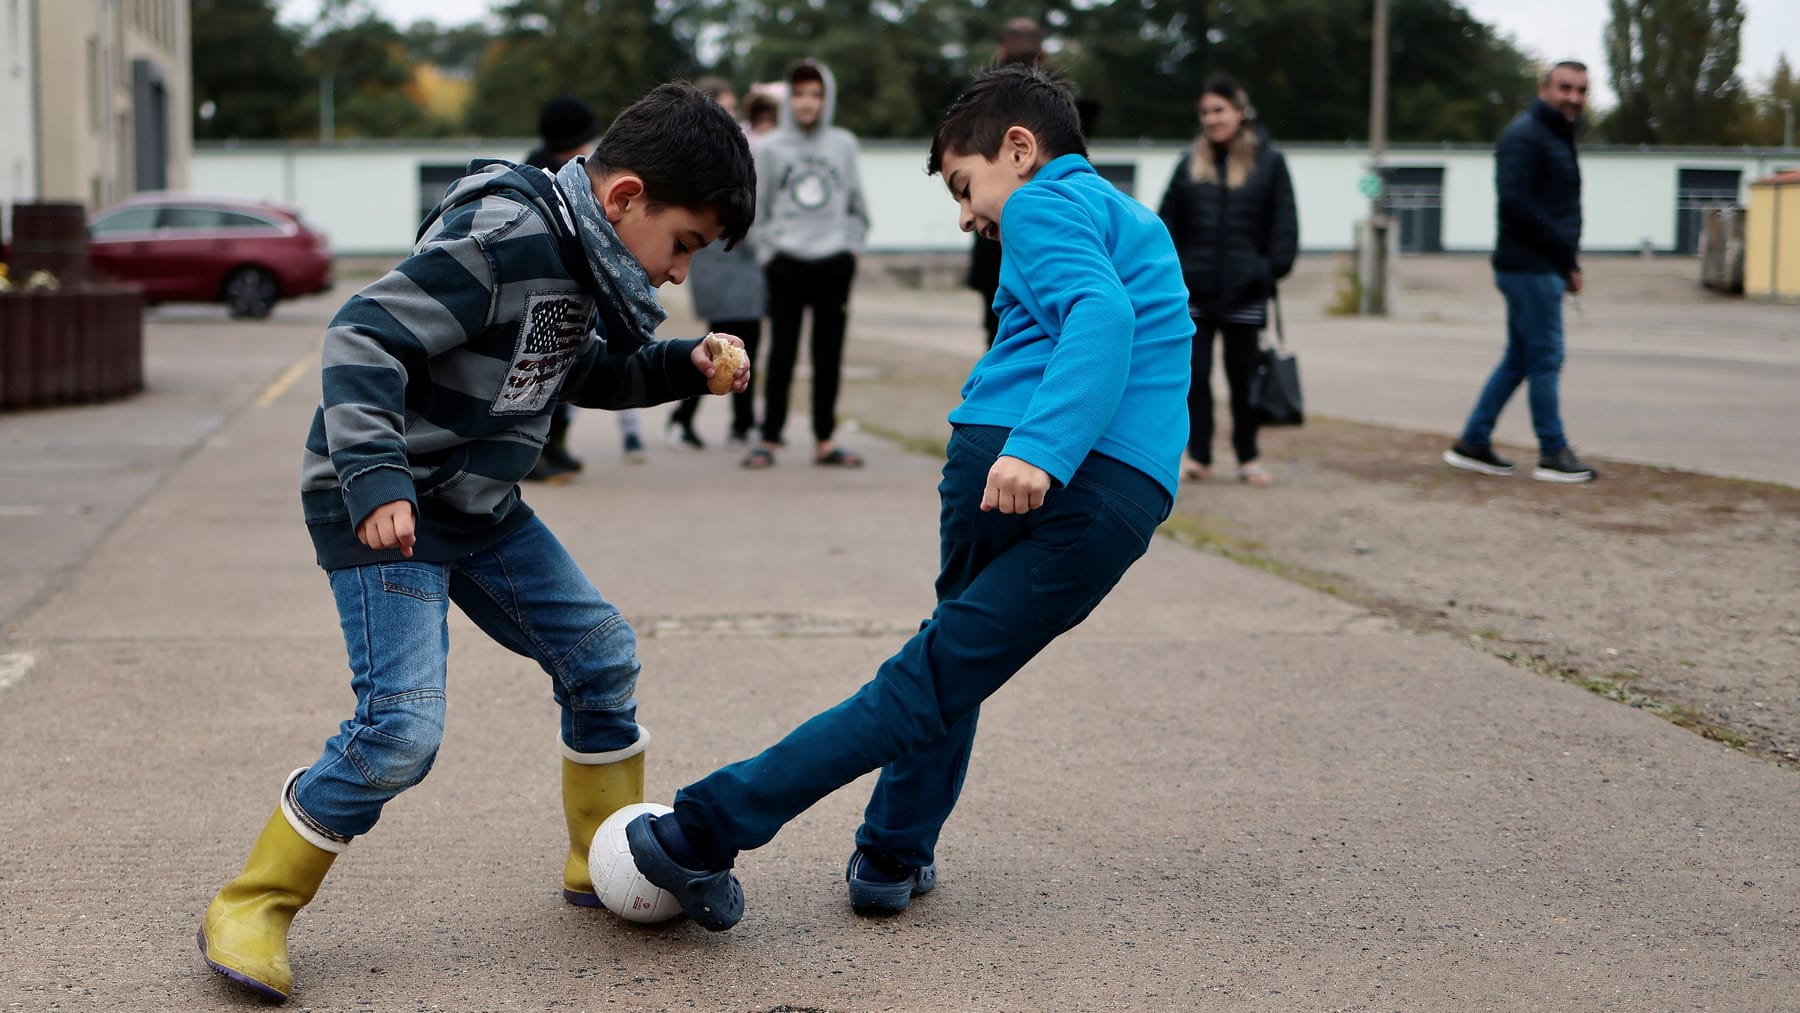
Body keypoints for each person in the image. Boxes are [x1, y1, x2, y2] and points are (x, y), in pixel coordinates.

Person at [195, 83, 755, 1001]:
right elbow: (361, 337)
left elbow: (582, 374)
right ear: (624, 200)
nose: (679, 272)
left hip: (477, 504)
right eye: (683, 244)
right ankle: (253, 903)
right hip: (384, 505)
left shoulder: (583, 263)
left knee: (600, 654)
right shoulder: (507, 241)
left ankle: (603, 858)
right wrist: (375, 479)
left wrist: (679, 366)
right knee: (402, 729)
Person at [623, 64, 1193, 931]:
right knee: (942, 670)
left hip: (1040, 460)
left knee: (939, 670)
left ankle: (739, 833)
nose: (968, 216)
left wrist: (1041, 448)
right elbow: (1117, 317)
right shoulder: (1129, 217)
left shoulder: (1042, 200)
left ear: (1020, 148)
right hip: (1102, 485)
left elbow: (1100, 316)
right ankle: (856, 848)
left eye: (966, 187)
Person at [1444, 61, 1598, 483]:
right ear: (1544, 88)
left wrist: (1567, 262)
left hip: (1540, 264)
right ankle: (1553, 451)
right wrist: (1564, 258)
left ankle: (1473, 441)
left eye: (1581, 90)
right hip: (1529, 265)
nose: (1573, 97)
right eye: (1564, 87)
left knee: (1520, 358)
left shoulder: (1556, 135)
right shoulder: (1526, 135)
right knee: (1546, 356)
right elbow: (1517, 205)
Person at [1156, 75, 1297, 487]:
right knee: (1195, 376)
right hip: (1194, 293)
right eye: (1205, 112)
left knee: (1243, 379)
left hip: (1246, 294)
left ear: (1240, 111)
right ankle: (1198, 454)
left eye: (1219, 110)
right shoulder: (1188, 163)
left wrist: (1267, 271)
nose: (1211, 119)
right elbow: (1165, 225)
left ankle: (1247, 455)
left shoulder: (1270, 163)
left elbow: (1284, 226)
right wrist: (1175, 272)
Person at [742, 58, 869, 469]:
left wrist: (850, 248)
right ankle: (770, 438)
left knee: (828, 354)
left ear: (826, 98)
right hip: (786, 263)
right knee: (781, 352)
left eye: (815, 94)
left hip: (833, 262)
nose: (807, 102)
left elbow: (857, 207)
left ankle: (825, 440)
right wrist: (767, 253)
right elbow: (758, 209)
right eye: (799, 93)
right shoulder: (773, 147)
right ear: (788, 98)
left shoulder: (843, 144)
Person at [667, 77, 767, 450]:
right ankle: (684, 417)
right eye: (725, 107)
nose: (733, 115)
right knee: (719, 345)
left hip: (746, 257)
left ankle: (743, 422)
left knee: (749, 341)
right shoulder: (696, 157)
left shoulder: (743, 148)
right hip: (718, 259)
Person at [965, 17, 1044, 348]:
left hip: (994, 226)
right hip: (1042, 223)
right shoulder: (1055, 99)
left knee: (996, 330)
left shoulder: (978, 101)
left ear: (999, 51)